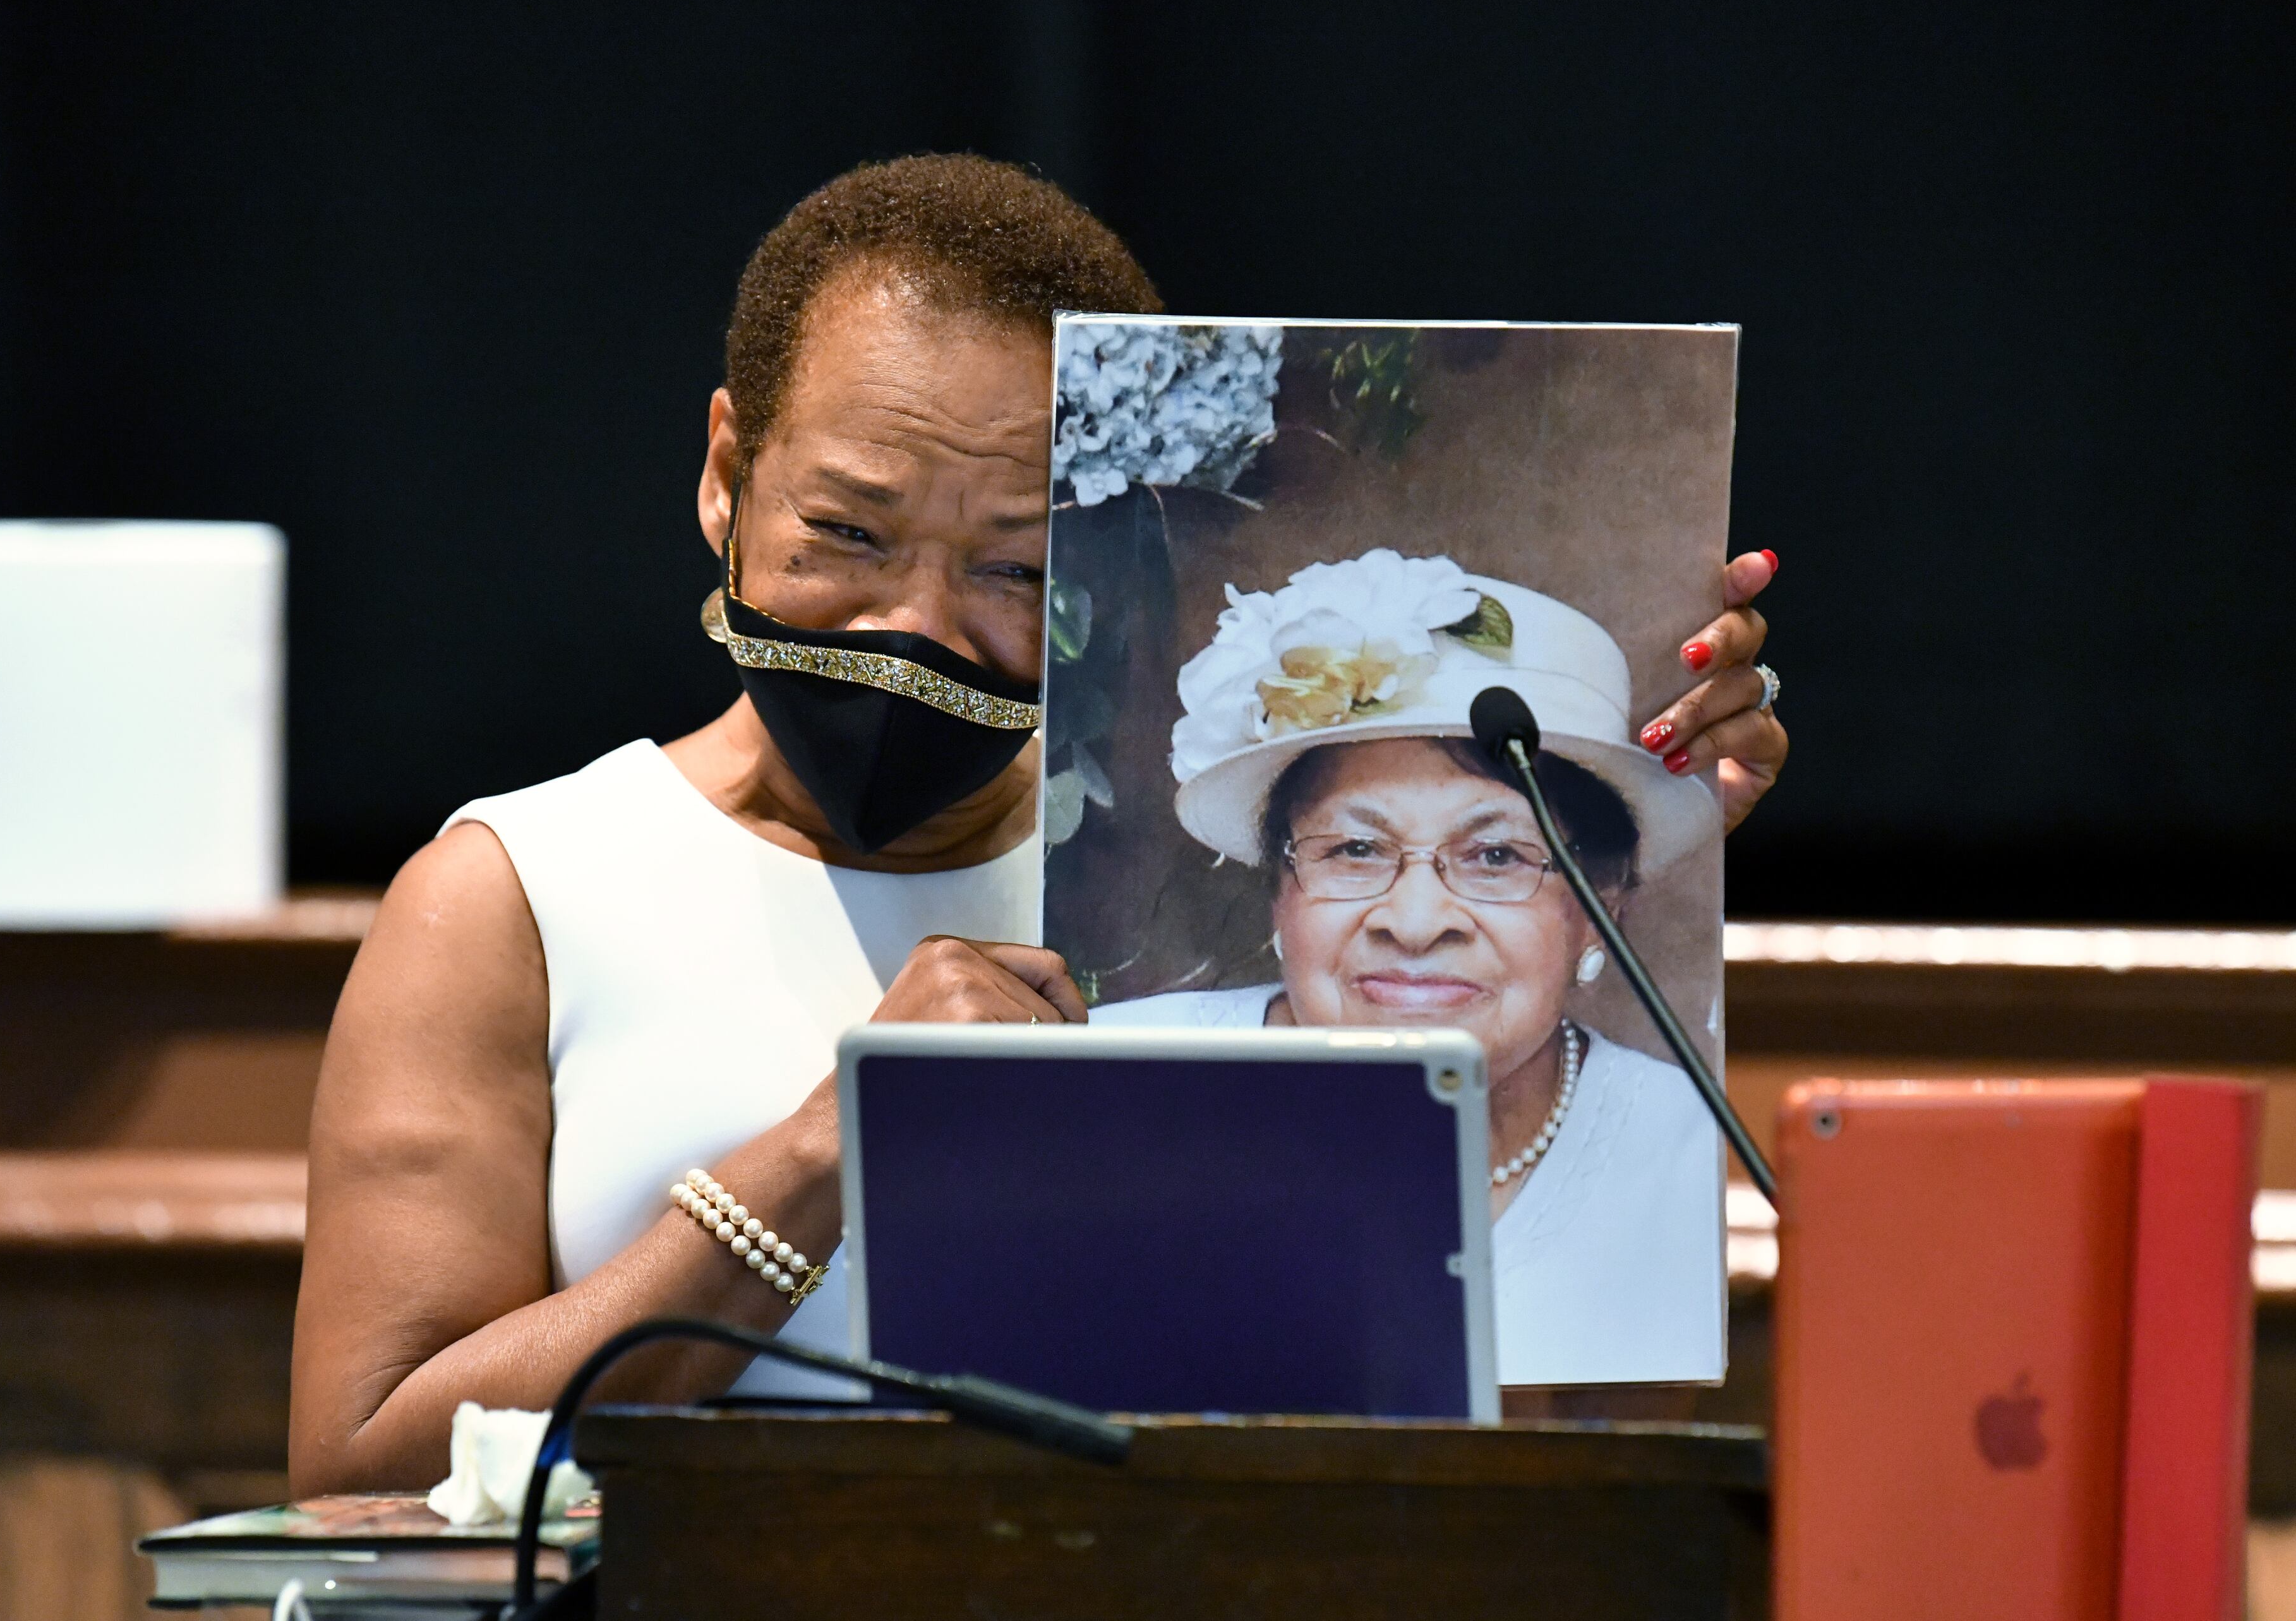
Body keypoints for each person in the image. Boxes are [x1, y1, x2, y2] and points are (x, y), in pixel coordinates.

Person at [287, 154, 1789, 1492]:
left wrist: (1594, 854)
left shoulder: (1178, 922)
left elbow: (1532, 1428)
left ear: (1101, 569)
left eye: (1012, 570)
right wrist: (828, 1149)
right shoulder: (518, 895)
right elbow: (359, 1464)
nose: (914, 626)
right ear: (729, 478)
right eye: (848, 531)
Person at [1094, 552, 1728, 1383]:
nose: (1417, 923)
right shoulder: (1098, 1089)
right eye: (1355, 849)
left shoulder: (1698, 1153)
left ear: (1601, 907)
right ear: (1280, 891)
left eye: (1497, 855)